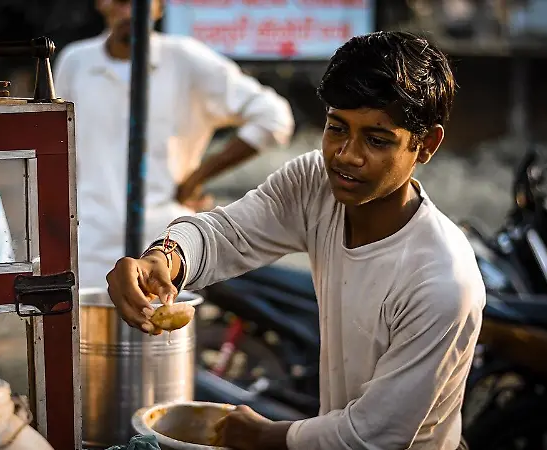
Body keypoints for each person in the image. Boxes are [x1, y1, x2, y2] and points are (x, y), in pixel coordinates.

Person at [106, 31, 485, 450]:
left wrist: (263, 435)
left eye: (377, 140)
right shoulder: (315, 183)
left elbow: (374, 436)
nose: (347, 155)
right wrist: (165, 256)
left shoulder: (443, 283)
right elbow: (228, 234)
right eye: (336, 128)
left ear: (426, 144)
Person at [52, 0, 295, 288]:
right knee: (92, 330)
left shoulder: (184, 58)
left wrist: (197, 177)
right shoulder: (76, 61)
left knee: (165, 328)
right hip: (90, 243)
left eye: (139, 4)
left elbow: (273, 117)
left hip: (168, 243)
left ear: (159, 7)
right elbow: (56, 146)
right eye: (120, 2)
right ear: (101, 3)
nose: (130, 13)